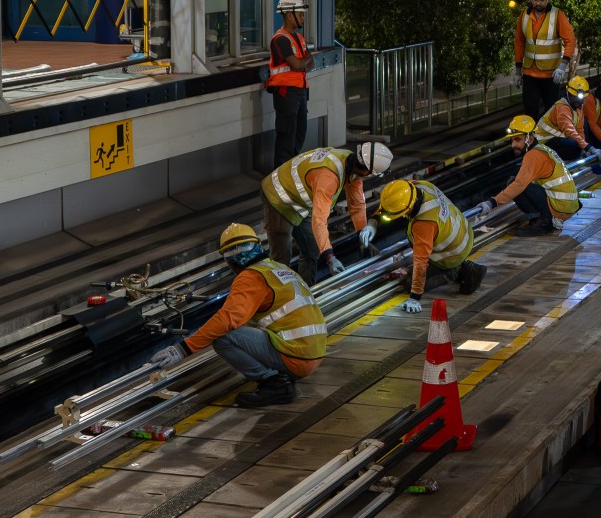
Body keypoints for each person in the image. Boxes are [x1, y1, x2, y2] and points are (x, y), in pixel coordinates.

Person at [150, 223, 326, 407]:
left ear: (230, 261)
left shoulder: (251, 277)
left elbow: (226, 320)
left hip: (296, 358)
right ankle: (281, 375)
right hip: (313, 353)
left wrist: (183, 349)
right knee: (244, 325)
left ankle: (275, 384)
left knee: (223, 336)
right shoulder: (277, 268)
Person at [260, 143, 393, 284]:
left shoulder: (350, 161)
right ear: (367, 171)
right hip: (278, 198)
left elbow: (356, 203)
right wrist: (330, 258)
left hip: (302, 202)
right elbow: (319, 221)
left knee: (312, 252)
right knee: (281, 260)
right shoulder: (328, 178)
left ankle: (307, 294)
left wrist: (362, 233)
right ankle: (280, 298)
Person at [375, 179, 488, 314]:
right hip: (463, 231)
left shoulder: (424, 223)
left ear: (408, 207)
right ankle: (457, 267)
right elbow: (392, 198)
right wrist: (374, 220)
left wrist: (415, 296)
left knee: (408, 282)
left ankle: (455, 271)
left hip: (452, 253)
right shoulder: (420, 186)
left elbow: (420, 262)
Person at [476, 115, 580, 236]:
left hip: (560, 208)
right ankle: (541, 219)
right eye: (512, 140)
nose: (513, 145)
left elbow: (519, 184)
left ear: (529, 139)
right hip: (568, 205)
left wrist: (493, 202)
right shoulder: (542, 148)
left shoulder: (533, 155)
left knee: (514, 183)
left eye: (518, 140)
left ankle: (543, 222)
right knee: (519, 181)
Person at [514, 0, 576, 118]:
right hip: (530, 74)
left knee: (550, 114)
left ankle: (548, 139)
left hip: (551, 76)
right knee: (530, 112)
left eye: (542, 0)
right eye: (535, 0)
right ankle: (531, 139)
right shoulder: (524, 15)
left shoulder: (557, 15)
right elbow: (519, 42)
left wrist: (563, 65)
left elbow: (570, 40)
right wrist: (518, 70)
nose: (537, 3)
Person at [267, 0, 314, 168]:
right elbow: (296, 64)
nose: (303, 17)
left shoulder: (299, 39)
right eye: (300, 14)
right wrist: (304, 62)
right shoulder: (280, 39)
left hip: (299, 91)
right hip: (286, 93)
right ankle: (280, 174)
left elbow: (310, 62)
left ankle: (289, 169)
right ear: (289, 15)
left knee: (300, 132)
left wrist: (304, 62)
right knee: (287, 134)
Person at [535, 75, 601, 162]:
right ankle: (547, 161)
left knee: (578, 145)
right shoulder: (562, 108)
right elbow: (570, 132)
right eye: (574, 97)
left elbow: (579, 130)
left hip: (555, 140)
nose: (578, 101)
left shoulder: (578, 108)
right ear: (567, 93)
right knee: (573, 144)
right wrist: (588, 148)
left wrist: (583, 149)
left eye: (582, 98)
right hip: (543, 142)